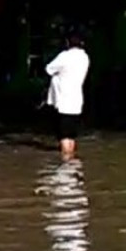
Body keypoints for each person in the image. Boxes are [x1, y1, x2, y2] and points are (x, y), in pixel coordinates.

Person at [45, 32, 91, 160]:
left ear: (67, 43)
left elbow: (49, 69)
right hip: (76, 100)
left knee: (63, 135)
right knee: (71, 136)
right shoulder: (84, 57)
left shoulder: (65, 56)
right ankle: (72, 163)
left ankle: (65, 163)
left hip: (63, 101)